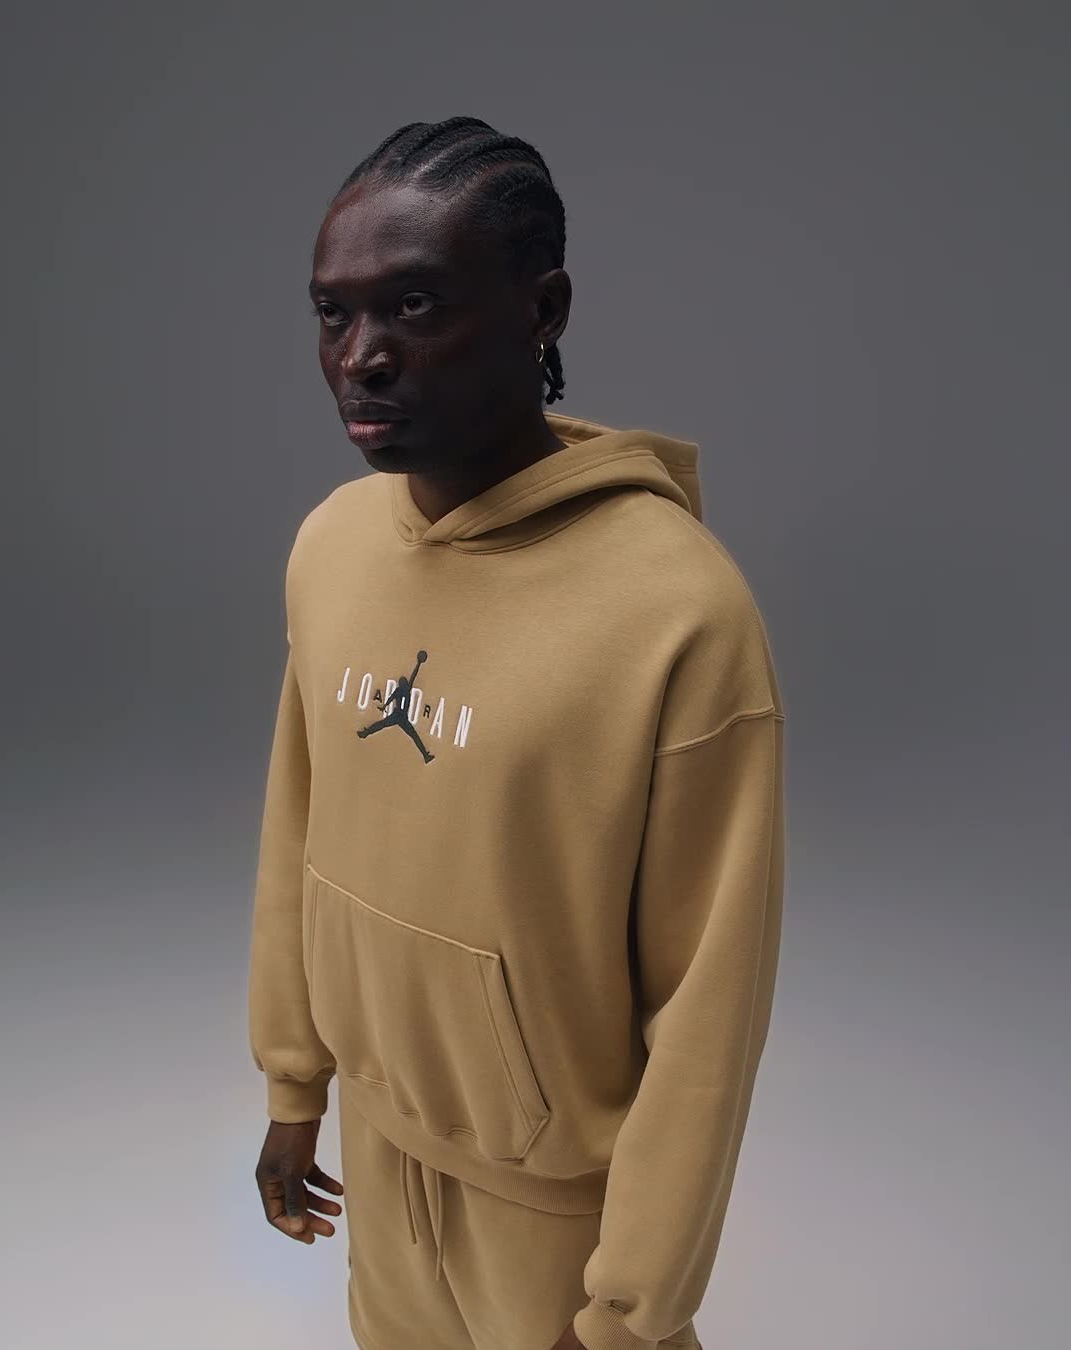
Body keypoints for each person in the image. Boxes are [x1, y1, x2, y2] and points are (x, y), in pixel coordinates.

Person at [247, 115, 786, 1350]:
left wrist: (630, 1309)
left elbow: (709, 1008)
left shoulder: (677, 612)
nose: (362, 357)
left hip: (556, 1217)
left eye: (414, 306)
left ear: (542, 309)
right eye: (333, 314)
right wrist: (294, 1083)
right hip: (379, 1161)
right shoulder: (333, 545)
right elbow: (298, 831)